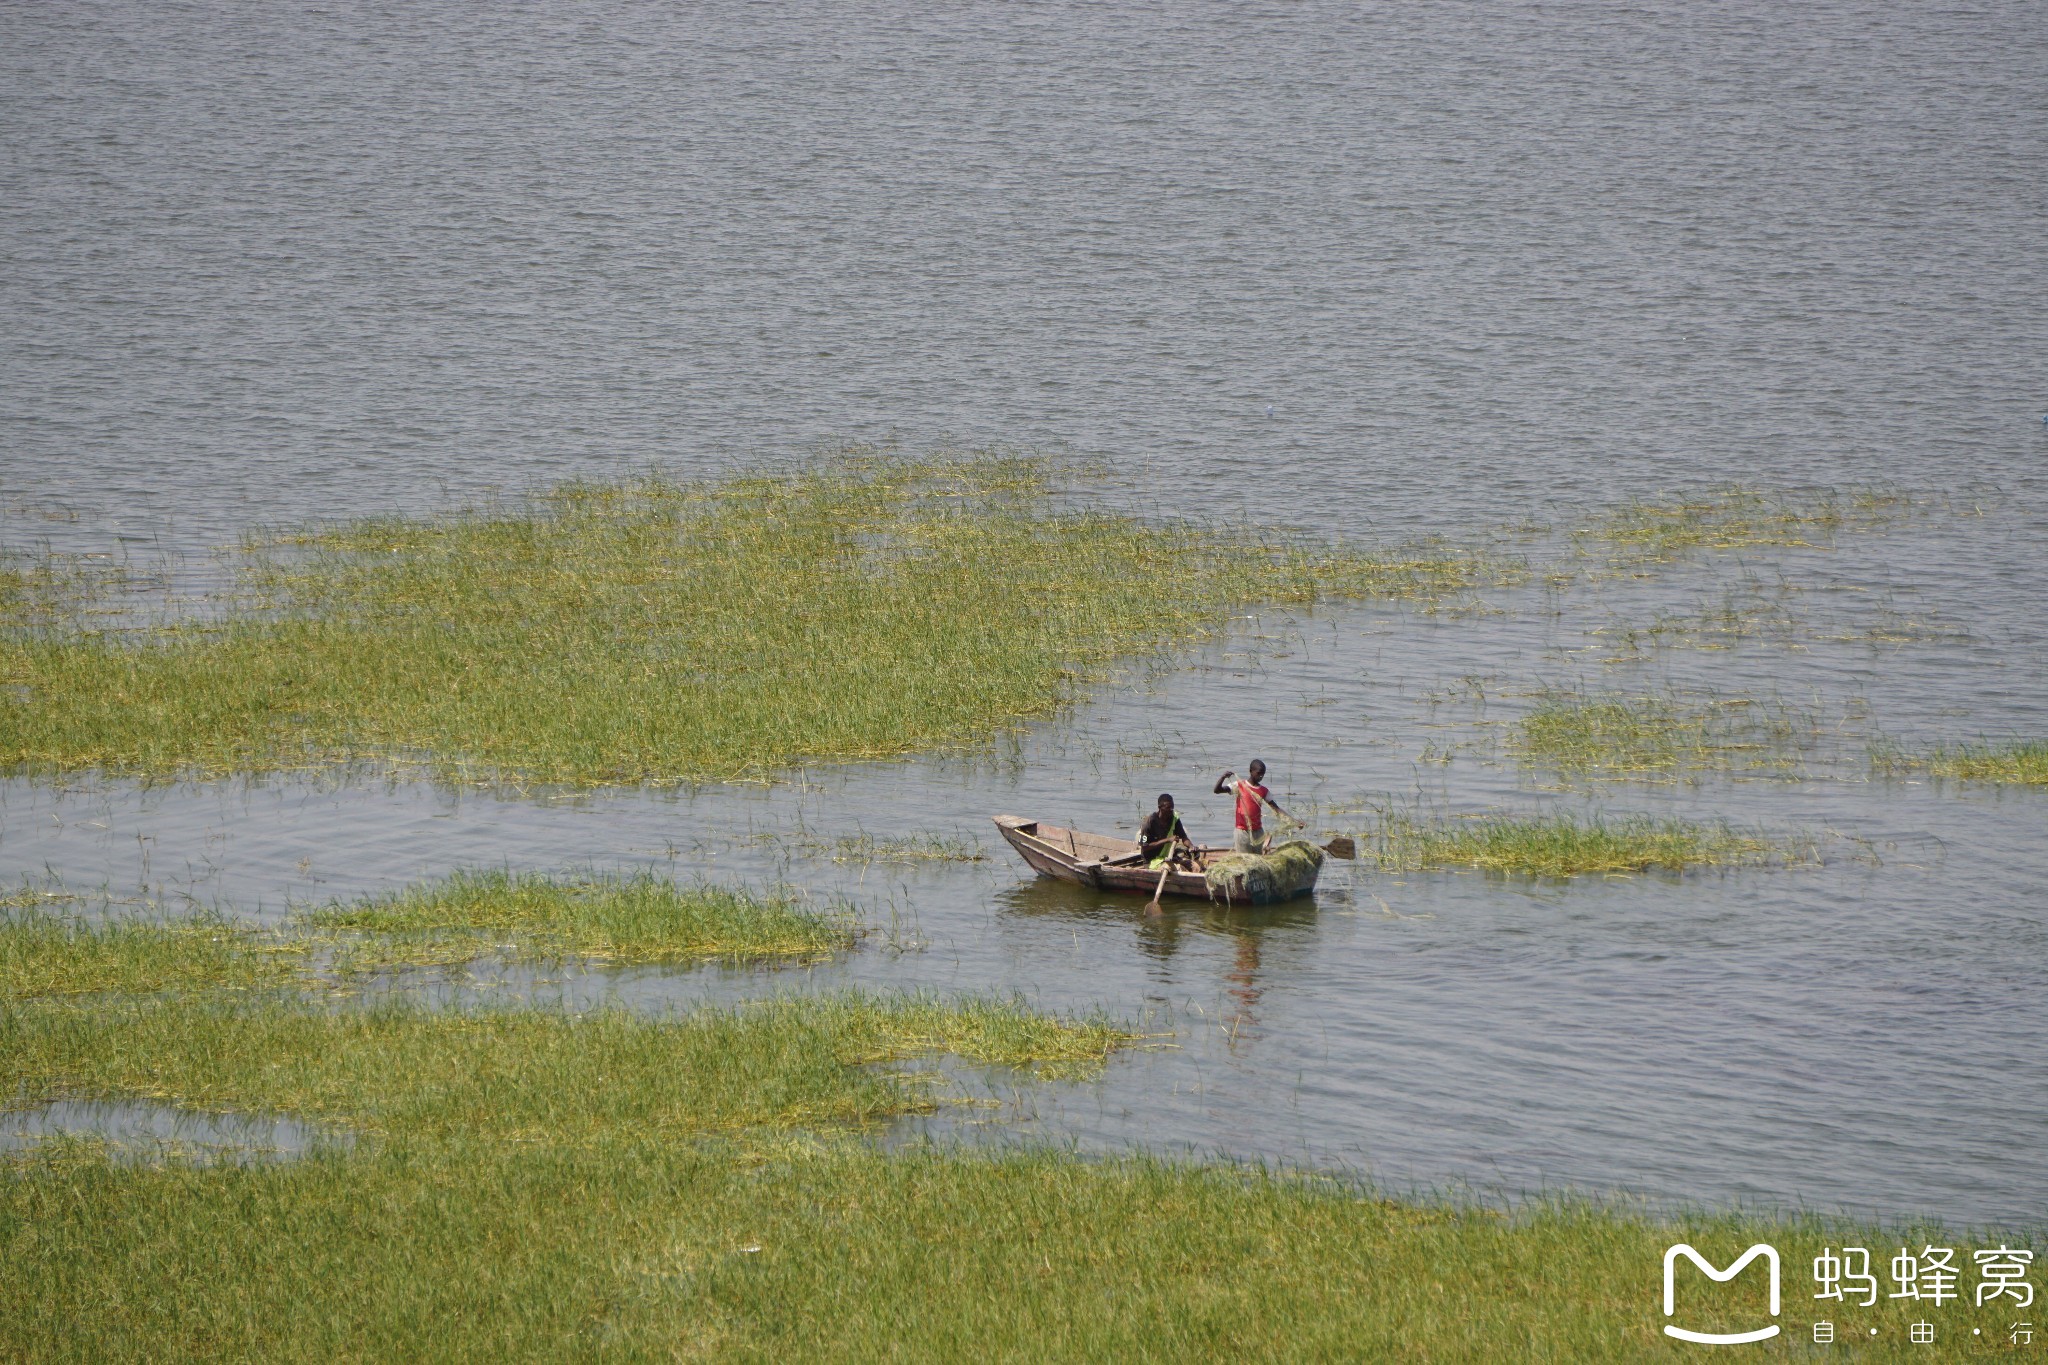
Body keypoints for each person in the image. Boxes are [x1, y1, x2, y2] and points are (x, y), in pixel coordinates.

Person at [1214, 759, 1291, 855]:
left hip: (1258, 831)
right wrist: (1223, 777)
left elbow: (1276, 808)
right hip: (1242, 831)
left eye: (1263, 774)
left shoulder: (1263, 791)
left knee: (1257, 859)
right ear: (1251, 771)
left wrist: (1292, 820)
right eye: (1259, 773)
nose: (1261, 776)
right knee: (1244, 860)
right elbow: (1217, 790)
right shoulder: (1240, 785)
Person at [1135, 794, 1194, 868]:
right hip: (1152, 861)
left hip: (1168, 857)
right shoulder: (1148, 823)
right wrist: (1167, 840)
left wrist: (1191, 846)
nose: (1171, 810)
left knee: (1194, 866)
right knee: (1176, 868)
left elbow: (1184, 837)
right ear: (1160, 807)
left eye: (1172, 807)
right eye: (1168, 808)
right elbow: (1144, 847)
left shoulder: (1174, 819)